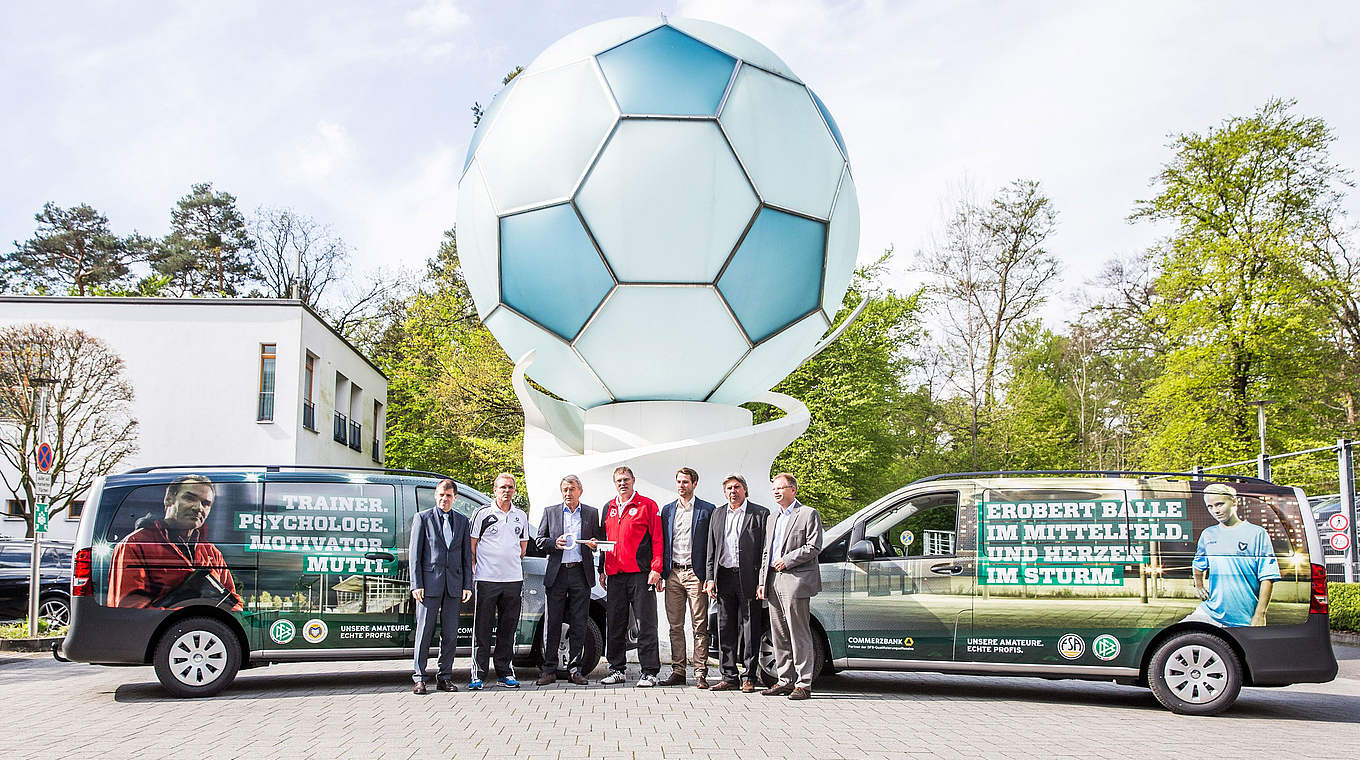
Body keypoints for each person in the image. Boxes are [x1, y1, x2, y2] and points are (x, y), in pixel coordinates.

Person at [107, 474, 243, 611]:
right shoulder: (135, 544)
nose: (198, 507)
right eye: (189, 498)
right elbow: (129, 607)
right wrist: (193, 613)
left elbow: (235, 603)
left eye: (206, 503)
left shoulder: (212, 553)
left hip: (206, 630)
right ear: (169, 499)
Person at [757, 473, 823, 700]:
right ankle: (785, 680)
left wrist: (789, 559)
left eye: (780, 488)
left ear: (793, 490)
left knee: (798, 632)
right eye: (774, 488)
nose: (776, 492)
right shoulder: (772, 517)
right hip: (773, 579)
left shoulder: (807, 514)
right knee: (779, 633)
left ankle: (804, 683)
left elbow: (814, 546)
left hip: (796, 579)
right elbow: (767, 551)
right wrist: (761, 581)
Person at [534, 474, 602, 686]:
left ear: (580, 491)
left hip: (580, 573)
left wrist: (594, 544)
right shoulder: (551, 512)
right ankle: (549, 670)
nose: (568, 493)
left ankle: (575, 669)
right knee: (552, 622)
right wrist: (555, 542)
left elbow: (598, 540)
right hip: (558, 573)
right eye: (564, 489)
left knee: (579, 623)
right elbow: (539, 541)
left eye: (572, 489)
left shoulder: (591, 513)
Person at [703, 473, 769, 693]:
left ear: (745, 490)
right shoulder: (718, 514)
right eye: (729, 488)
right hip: (724, 577)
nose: (733, 491)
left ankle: (749, 676)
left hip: (749, 578)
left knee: (750, 629)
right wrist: (710, 577)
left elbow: (764, 551)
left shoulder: (759, 514)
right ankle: (728, 676)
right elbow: (711, 549)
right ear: (725, 492)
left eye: (737, 487)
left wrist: (762, 580)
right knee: (725, 628)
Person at [599, 465, 663, 687]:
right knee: (615, 623)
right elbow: (602, 541)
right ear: (614, 483)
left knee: (645, 623)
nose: (622, 483)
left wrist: (657, 568)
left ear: (633, 480)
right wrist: (601, 569)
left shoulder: (647, 505)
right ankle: (617, 669)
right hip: (615, 575)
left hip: (641, 574)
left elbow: (657, 539)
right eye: (618, 480)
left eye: (626, 479)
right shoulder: (608, 507)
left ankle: (650, 671)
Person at [408, 478, 473, 694]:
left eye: (449, 496)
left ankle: (445, 677)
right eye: (441, 495)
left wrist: (467, 584)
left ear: (455, 498)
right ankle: (419, 677)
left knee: (450, 634)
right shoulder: (422, 518)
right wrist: (416, 584)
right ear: (436, 496)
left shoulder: (463, 521)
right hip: (429, 585)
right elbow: (415, 555)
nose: (444, 499)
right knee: (425, 631)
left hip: (454, 586)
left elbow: (466, 555)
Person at [1187, 483, 1280, 627]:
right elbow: (1198, 564)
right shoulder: (1208, 534)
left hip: (1243, 618)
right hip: (1210, 612)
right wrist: (1199, 586)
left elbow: (1267, 577)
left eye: (1219, 504)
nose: (1215, 511)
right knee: (1176, 638)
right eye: (1210, 507)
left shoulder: (1257, 533)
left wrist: (1260, 614)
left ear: (1234, 502)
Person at [469, 473, 530, 689]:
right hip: (486, 579)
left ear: (514, 490)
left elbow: (522, 548)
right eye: (502, 487)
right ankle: (478, 674)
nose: (507, 491)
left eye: (510, 487)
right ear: (494, 490)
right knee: (483, 628)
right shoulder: (482, 513)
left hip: (513, 580)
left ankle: (505, 672)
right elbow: (472, 546)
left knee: (508, 628)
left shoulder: (520, 515)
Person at [659, 467, 716, 688]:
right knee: (675, 625)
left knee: (699, 625)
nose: (681, 485)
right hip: (673, 572)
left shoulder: (706, 510)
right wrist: (662, 572)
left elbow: (712, 545)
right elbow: (663, 541)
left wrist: (709, 576)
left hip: (696, 573)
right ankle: (678, 670)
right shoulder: (668, 510)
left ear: (694, 484)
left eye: (685, 482)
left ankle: (700, 672)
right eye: (679, 482)